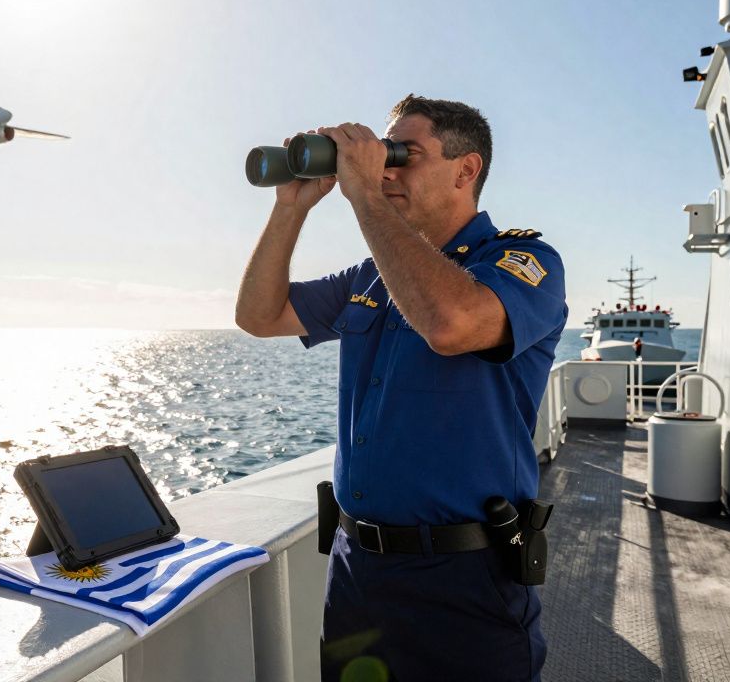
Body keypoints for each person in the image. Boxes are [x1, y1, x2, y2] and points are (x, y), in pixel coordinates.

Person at [235, 95, 567, 681]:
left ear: (466, 170)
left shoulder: (524, 259)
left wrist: (363, 192)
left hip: (463, 578)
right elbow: (260, 316)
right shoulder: (371, 278)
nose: (384, 170)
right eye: (381, 157)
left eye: (402, 156)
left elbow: (450, 323)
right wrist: (291, 207)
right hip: (356, 573)